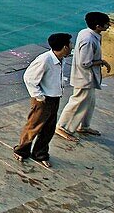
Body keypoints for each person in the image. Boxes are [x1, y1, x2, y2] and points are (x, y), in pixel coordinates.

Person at [13, 33, 73, 169]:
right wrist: (39, 96)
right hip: (44, 99)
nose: (71, 46)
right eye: (70, 44)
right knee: (34, 127)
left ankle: (40, 154)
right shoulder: (45, 60)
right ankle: (21, 150)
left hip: (54, 98)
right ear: (64, 47)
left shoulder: (60, 59)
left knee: (48, 129)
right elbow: (29, 78)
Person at [56, 12, 112, 141]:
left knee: (89, 102)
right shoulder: (88, 40)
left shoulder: (88, 33)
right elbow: (85, 63)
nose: (109, 25)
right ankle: (62, 127)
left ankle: (83, 125)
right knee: (77, 102)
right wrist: (102, 62)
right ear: (98, 26)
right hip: (84, 77)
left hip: (89, 77)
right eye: (106, 23)